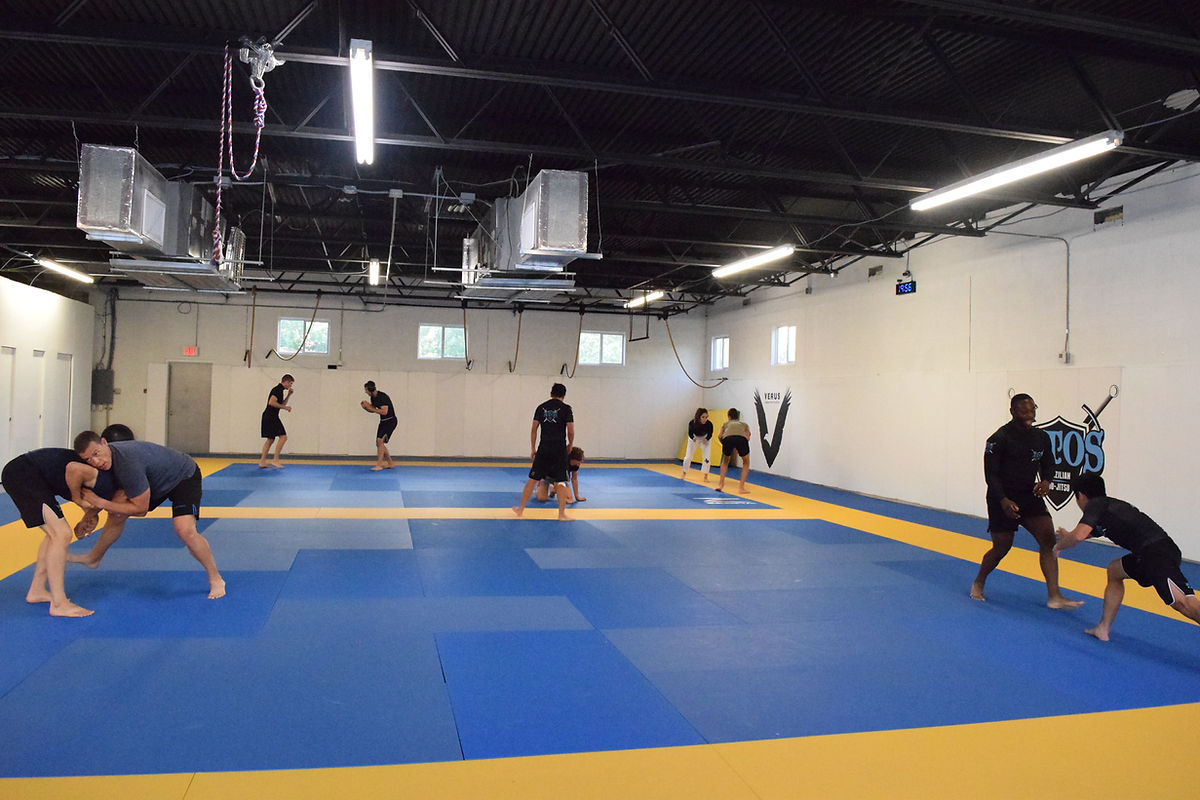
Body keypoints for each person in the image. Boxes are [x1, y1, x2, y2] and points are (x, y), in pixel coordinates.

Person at [71, 431, 226, 600]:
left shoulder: (128, 463)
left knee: (185, 531)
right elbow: (109, 496)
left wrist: (101, 504)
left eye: (96, 453)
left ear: (104, 442)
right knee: (116, 513)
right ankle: (94, 558)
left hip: (183, 476)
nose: (96, 462)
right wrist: (88, 517)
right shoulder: (105, 463)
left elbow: (140, 509)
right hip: (152, 479)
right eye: (88, 459)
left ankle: (215, 578)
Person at [1055, 473, 1200, 641]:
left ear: (1080, 496)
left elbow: (1079, 535)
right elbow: (1083, 534)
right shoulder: (1108, 507)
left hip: (1156, 553)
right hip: (1149, 554)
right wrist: (1068, 536)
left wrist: (1058, 547)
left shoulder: (1095, 505)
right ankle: (1103, 628)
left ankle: (1103, 628)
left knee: (1183, 602)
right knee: (1115, 570)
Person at [971, 393, 1082, 609]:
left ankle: (1054, 596)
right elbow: (991, 475)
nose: (1029, 415)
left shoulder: (1041, 437)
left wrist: (1047, 481)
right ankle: (979, 581)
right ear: (1013, 412)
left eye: (1032, 410)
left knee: (1048, 541)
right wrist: (1003, 500)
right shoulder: (998, 439)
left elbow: (1049, 464)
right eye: (1024, 411)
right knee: (1002, 547)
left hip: (1029, 496)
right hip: (1001, 498)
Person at [1, 447, 120, 616]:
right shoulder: (97, 476)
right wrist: (88, 513)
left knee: (54, 534)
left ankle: (37, 590)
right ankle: (59, 604)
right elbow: (75, 476)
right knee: (61, 534)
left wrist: (89, 517)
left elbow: (86, 500)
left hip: (32, 476)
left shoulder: (99, 477)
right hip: (23, 474)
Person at [513, 383, 575, 521]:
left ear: (551, 393)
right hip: (559, 449)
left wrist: (533, 448)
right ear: (564, 395)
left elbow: (534, 429)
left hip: (544, 448)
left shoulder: (541, 407)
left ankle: (520, 509)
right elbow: (570, 430)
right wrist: (570, 444)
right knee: (561, 482)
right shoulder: (567, 409)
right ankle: (561, 514)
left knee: (532, 479)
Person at [258, 374, 294, 468]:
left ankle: (262, 461)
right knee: (283, 437)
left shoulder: (280, 390)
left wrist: (289, 395)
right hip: (271, 417)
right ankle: (275, 459)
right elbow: (271, 402)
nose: (290, 385)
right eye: (290, 383)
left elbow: (282, 403)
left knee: (270, 439)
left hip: (269, 416)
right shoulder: (277, 389)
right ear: (286, 381)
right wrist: (285, 408)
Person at [360, 380, 396, 471]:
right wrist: (366, 407)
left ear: (370, 389)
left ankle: (379, 464)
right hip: (383, 421)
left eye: (366, 390)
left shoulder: (382, 397)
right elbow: (373, 410)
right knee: (379, 443)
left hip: (390, 421)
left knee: (380, 441)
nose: (365, 392)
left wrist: (370, 408)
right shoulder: (373, 398)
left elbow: (384, 412)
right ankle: (390, 463)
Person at [716, 408, 751, 494]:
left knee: (725, 461)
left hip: (728, 438)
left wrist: (724, 444)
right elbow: (748, 437)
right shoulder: (744, 424)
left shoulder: (726, 424)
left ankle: (720, 485)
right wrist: (741, 448)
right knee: (746, 462)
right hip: (741, 439)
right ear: (737, 417)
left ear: (729, 417)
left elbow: (719, 436)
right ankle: (741, 488)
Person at [681, 408, 713, 481]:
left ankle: (705, 476)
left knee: (707, 458)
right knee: (688, 457)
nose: (705, 419)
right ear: (699, 417)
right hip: (694, 438)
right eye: (703, 417)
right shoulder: (692, 423)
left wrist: (706, 439)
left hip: (705, 438)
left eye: (706, 417)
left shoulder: (709, 424)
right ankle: (684, 472)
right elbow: (690, 433)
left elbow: (710, 433)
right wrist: (693, 438)